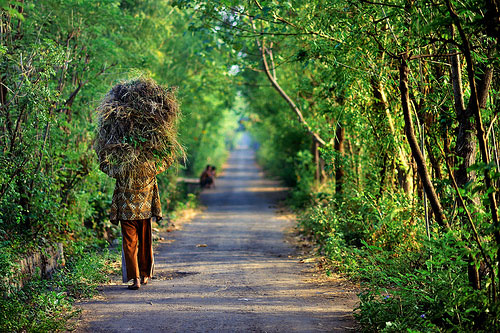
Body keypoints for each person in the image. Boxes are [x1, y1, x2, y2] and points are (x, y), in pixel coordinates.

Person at [109, 162, 165, 290]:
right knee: (145, 244)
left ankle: (136, 279)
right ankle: (145, 275)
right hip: (145, 212)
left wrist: (102, 154)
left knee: (129, 246)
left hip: (126, 214)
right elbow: (167, 161)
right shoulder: (150, 167)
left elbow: (104, 167)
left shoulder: (122, 167)